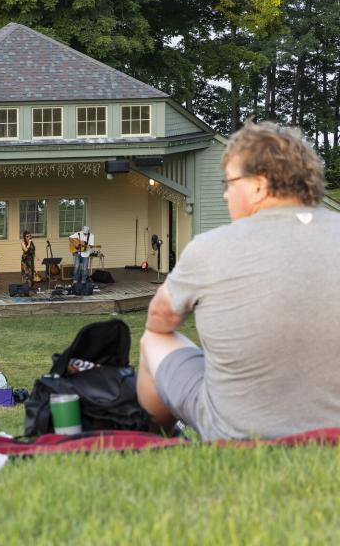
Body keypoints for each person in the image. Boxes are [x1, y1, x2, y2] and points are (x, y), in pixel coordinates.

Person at [138, 122, 340, 440]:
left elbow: (159, 321)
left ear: (258, 186)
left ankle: (160, 438)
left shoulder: (209, 247)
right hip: (332, 429)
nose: (225, 193)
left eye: (230, 182)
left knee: (152, 340)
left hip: (237, 434)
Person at [68, 226, 94, 290]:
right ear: (82, 230)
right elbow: (70, 238)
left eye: (86, 233)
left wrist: (88, 246)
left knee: (84, 268)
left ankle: (83, 281)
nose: (85, 234)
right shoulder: (78, 233)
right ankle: (75, 281)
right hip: (77, 252)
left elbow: (91, 245)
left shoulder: (91, 236)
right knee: (76, 267)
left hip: (86, 253)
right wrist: (75, 244)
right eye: (84, 233)